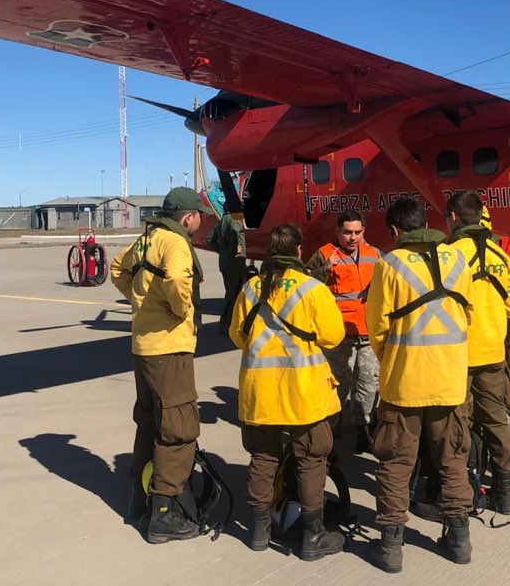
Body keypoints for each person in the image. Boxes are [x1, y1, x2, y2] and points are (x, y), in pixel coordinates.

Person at [364, 196, 475, 573]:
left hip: (404, 385)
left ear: (395, 230)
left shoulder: (389, 264)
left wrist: (393, 360)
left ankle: (392, 548)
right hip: (450, 382)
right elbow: (469, 313)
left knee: (396, 463)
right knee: (452, 460)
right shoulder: (458, 258)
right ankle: (459, 539)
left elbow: (377, 327)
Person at [229, 223, 347, 560]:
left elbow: (238, 336)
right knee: (311, 459)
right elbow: (333, 336)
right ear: (298, 251)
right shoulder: (312, 288)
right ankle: (312, 536)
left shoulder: (250, 288)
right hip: (303, 392)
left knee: (263, 458)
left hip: (260, 393)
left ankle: (259, 531)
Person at [109, 187, 213, 543]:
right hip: (169, 348)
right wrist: (179, 309)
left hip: (143, 348)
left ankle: (141, 502)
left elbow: (117, 268)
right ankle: (165, 513)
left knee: (150, 424)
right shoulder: (175, 242)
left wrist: (140, 300)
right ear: (187, 217)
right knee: (178, 428)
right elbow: (178, 280)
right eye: (198, 214)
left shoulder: (146, 238)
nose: (201, 220)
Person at [445, 191, 510, 515]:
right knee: (496, 421)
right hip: (492, 351)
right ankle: (504, 494)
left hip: (460, 354)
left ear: (453, 218)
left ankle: (464, 490)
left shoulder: (448, 254)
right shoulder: (501, 256)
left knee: (457, 424)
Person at [306, 210, 381, 453]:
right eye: (347, 232)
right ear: (337, 232)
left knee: (368, 382)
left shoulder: (374, 254)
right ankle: (331, 427)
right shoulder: (324, 254)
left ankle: (365, 428)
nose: (353, 237)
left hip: (368, 331)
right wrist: (325, 269)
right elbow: (305, 284)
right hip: (339, 334)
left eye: (357, 232)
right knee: (338, 383)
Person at [206, 211, 247, 334]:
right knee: (233, 293)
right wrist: (235, 248)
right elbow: (235, 232)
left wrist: (222, 251)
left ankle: (231, 322)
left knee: (230, 291)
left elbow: (209, 240)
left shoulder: (222, 221)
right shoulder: (234, 219)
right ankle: (226, 324)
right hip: (235, 262)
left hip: (224, 261)